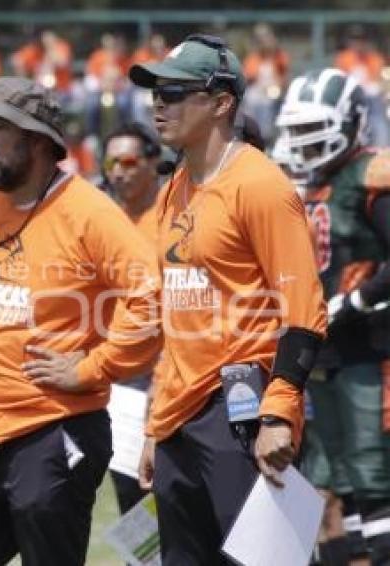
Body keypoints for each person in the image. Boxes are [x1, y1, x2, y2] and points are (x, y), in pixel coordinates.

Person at [0, 76, 163, 566]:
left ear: (37, 141)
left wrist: (92, 369)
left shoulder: (91, 213)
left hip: (54, 429)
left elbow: (150, 303)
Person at [129, 34, 327, 565]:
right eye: (155, 93)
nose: (158, 104)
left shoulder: (261, 185)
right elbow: (176, 317)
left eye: (174, 92)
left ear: (222, 103)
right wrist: (155, 426)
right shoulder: (174, 186)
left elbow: (304, 311)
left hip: (241, 410)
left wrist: (279, 414)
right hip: (179, 417)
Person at [275, 67, 390, 565]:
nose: (301, 141)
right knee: (342, 479)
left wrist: (358, 300)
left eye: (311, 129)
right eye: (295, 130)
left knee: (372, 475)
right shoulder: (314, 183)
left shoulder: (371, 174)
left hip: (372, 349)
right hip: (331, 352)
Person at [100, 122, 163, 516]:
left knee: (175, 495)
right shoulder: (104, 218)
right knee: (133, 500)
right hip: (121, 378)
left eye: (128, 161)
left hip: (170, 374)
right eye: (111, 162)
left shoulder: (174, 214)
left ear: (153, 163)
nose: (118, 171)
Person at [241, 23, 289, 146]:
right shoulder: (253, 58)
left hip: (273, 91)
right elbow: (248, 76)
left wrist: (278, 85)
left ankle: (269, 136)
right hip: (257, 91)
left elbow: (284, 77)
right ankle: (251, 131)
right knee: (251, 98)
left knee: (271, 102)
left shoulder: (279, 57)